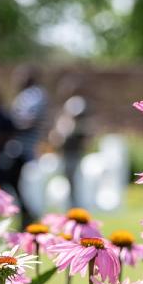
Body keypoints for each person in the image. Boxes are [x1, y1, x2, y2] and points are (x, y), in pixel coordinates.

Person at [1, 65, 47, 227]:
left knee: (12, 181)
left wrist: (9, 127)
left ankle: (28, 214)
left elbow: (29, 121)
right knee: (12, 183)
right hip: (17, 147)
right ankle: (26, 214)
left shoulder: (35, 95)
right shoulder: (25, 95)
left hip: (24, 148)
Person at [48, 76, 90, 206]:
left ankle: (75, 204)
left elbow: (74, 119)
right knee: (68, 178)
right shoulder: (70, 103)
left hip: (73, 148)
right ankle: (71, 204)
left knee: (73, 178)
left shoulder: (77, 102)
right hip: (67, 148)